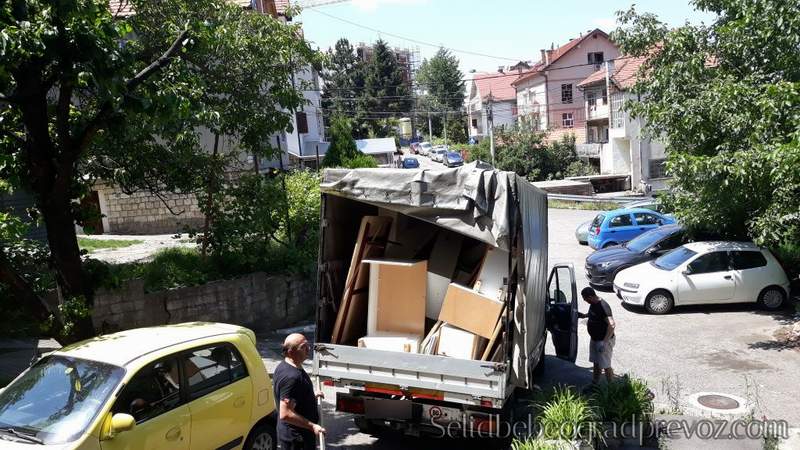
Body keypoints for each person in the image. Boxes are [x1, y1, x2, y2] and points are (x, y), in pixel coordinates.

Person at [273, 333, 326, 450]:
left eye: (308, 345)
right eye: (303, 347)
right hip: (296, 439)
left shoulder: (286, 365)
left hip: (297, 435)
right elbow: (285, 414)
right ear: (291, 352)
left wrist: (311, 395)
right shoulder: (292, 377)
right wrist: (312, 426)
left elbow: (295, 394)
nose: (309, 349)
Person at [577, 287, 616, 385]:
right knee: (596, 363)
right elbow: (594, 314)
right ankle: (595, 384)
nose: (585, 301)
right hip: (595, 339)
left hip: (603, 341)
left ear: (590, 296)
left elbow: (612, 324)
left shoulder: (603, 306)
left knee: (606, 365)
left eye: (586, 299)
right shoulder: (593, 303)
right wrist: (583, 315)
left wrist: (604, 342)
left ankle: (612, 388)